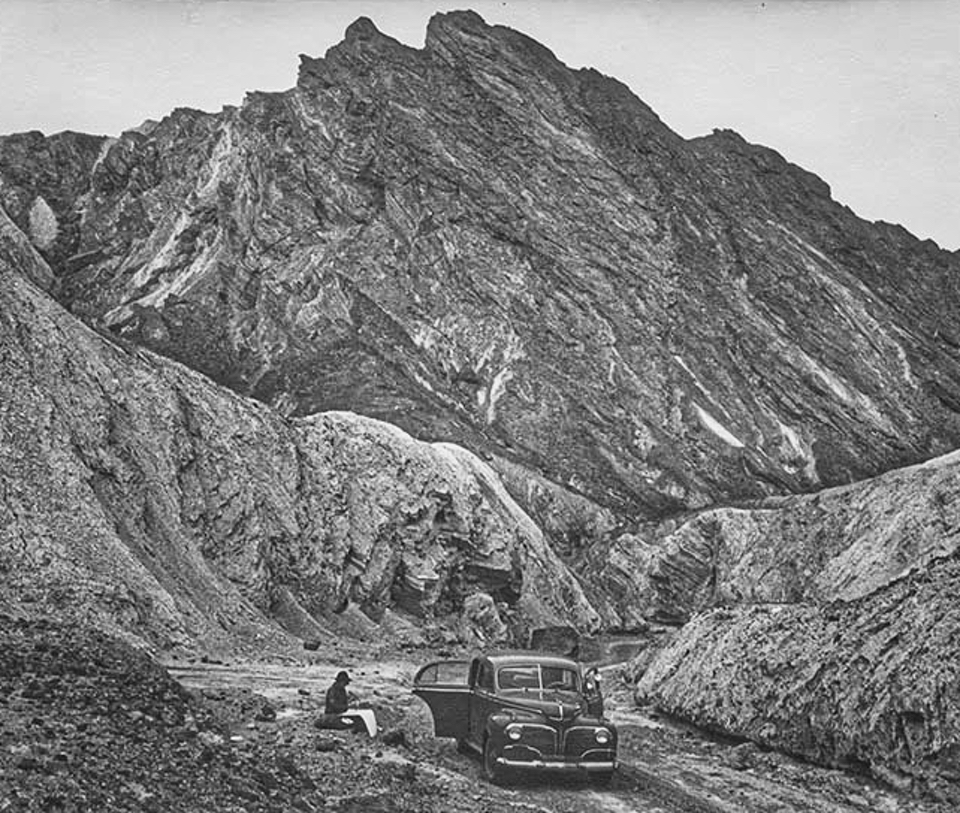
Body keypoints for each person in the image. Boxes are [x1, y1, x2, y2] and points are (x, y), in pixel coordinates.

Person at [317, 670, 378, 737]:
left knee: (357, 720)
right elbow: (334, 706)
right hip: (332, 715)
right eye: (345, 683)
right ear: (340, 681)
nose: (346, 685)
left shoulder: (342, 690)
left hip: (341, 713)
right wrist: (348, 706)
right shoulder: (332, 691)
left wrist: (351, 702)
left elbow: (344, 703)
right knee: (347, 724)